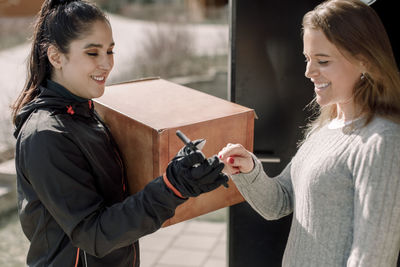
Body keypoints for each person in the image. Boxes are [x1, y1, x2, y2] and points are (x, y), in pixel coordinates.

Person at [12, 0, 228, 266]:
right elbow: (94, 235)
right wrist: (172, 187)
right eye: (93, 53)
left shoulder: (86, 112)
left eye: (110, 51)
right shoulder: (46, 136)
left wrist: (182, 175)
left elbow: (118, 205)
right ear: (56, 56)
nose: (106, 64)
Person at [218, 0, 400, 266]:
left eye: (322, 61)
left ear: (364, 60)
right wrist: (248, 170)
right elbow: (279, 202)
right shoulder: (325, 128)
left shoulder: (382, 141)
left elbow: (372, 258)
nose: (308, 71)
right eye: (307, 58)